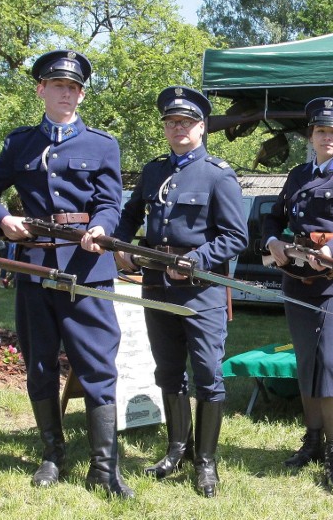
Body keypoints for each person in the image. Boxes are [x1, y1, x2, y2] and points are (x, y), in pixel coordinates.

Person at [0, 50, 133, 498]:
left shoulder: (102, 144)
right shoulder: (20, 143)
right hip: (34, 267)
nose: (66, 94)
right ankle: (52, 455)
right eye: (58, 86)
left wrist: (102, 226)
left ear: (82, 94)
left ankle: (104, 468)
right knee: (39, 364)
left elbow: (112, 202)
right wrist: (1, 218)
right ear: (41, 90)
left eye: (73, 88)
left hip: (88, 269)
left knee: (97, 365)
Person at [113, 86, 248, 498]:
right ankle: (177, 448)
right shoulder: (154, 172)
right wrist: (120, 247)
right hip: (156, 283)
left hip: (199, 290)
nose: (179, 129)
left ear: (202, 127)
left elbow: (236, 236)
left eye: (186, 123)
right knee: (167, 370)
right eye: (172, 123)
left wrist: (199, 258)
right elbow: (130, 214)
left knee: (207, 373)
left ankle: (205, 462)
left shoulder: (218, 174)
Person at [262, 97, 333, 496]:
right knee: (306, 361)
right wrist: (273, 239)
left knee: (330, 362)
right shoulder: (296, 175)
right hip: (296, 280)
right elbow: (274, 215)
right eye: (321, 131)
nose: (328, 137)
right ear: (311, 135)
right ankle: (311, 440)